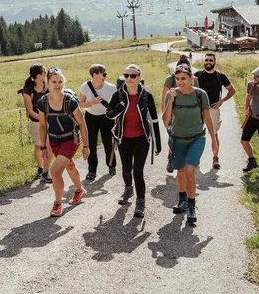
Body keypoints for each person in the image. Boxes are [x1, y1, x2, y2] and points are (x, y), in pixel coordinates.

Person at [162, 64, 218, 226]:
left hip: (196, 138)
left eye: (183, 79)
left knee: (189, 170)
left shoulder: (201, 95)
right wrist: (171, 100)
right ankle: (182, 200)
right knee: (180, 171)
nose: (180, 82)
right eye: (177, 79)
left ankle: (192, 207)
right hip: (177, 139)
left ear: (191, 79)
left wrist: (214, 140)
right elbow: (166, 122)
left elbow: (207, 118)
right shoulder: (172, 95)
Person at [106, 64, 161, 218]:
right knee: (126, 169)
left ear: (139, 77)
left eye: (133, 75)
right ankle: (128, 188)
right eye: (126, 75)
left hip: (141, 139)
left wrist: (158, 144)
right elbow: (109, 115)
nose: (129, 78)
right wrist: (120, 107)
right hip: (124, 139)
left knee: (138, 171)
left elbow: (154, 120)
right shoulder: (118, 96)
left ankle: (141, 202)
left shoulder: (146, 96)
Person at [37, 67, 90, 217]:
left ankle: (58, 204)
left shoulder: (70, 102)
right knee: (70, 166)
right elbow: (42, 125)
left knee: (55, 171)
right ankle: (80, 190)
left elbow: (82, 123)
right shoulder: (42, 103)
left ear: (64, 82)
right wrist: (43, 147)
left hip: (70, 139)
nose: (57, 85)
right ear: (47, 83)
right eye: (54, 81)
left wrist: (86, 146)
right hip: (54, 140)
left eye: (60, 81)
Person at [194, 52, 235, 170]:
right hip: (198, 109)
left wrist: (222, 101)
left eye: (210, 60)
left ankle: (215, 158)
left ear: (214, 62)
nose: (208, 62)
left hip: (213, 109)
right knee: (196, 135)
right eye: (206, 60)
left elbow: (232, 90)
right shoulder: (197, 75)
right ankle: (195, 158)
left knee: (214, 135)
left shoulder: (220, 76)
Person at [78, 64, 117, 180]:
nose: (105, 76)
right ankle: (92, 170)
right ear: (94, 75)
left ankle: (111, 166)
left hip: (106, 117)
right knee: (91, 144)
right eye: (103, 74)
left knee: (108, 143)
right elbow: (80, 104)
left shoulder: (111, 88)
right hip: (91, 117)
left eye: (106, 74)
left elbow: (117, 104)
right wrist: (91, 102)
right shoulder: (85, 87)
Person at [18, 64, 52, 183]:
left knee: (48, 145)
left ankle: (46, 171)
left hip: (49, 121)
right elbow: (30, 111)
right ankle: (41, 168)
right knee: (39, 146)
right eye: (44, 73)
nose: (46, 75)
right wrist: (43, 119)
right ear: (38, 76)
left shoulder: (47, 86)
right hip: (36, 123)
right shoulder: (28, 90)